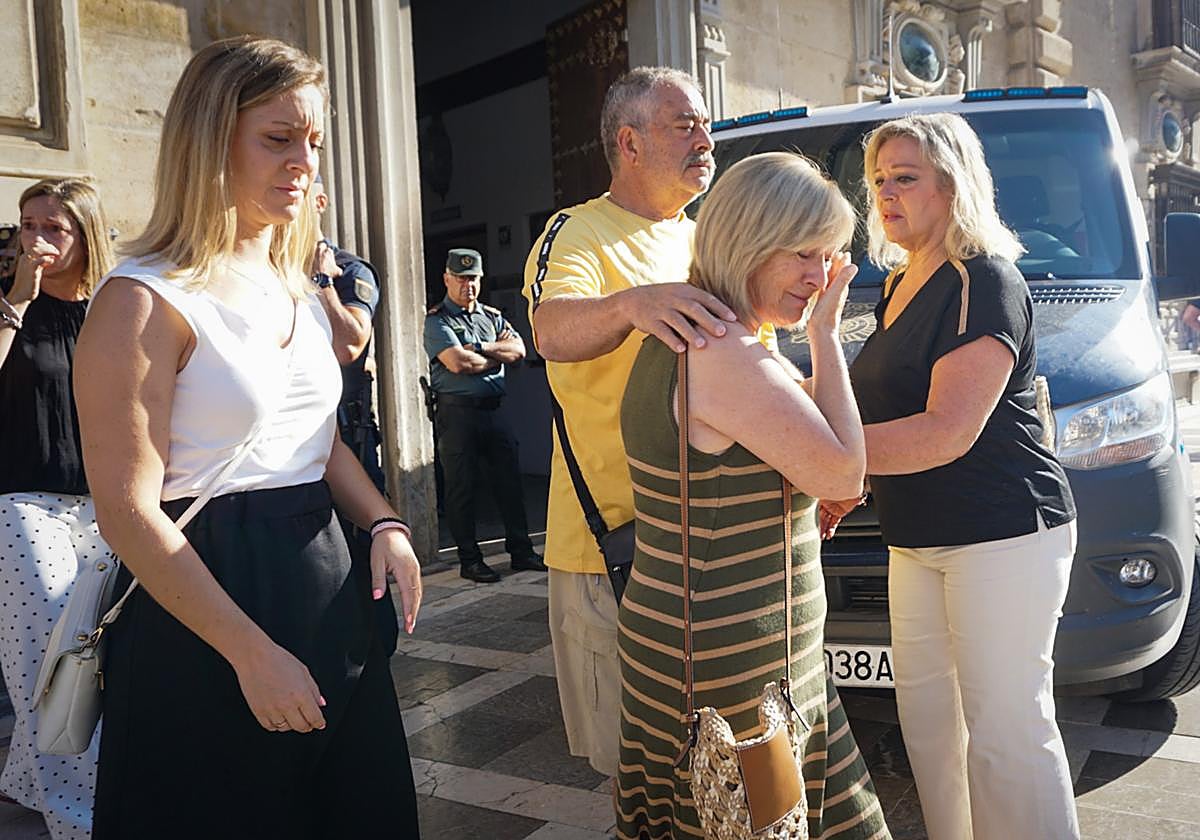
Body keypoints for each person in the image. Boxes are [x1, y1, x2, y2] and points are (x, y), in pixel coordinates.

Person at [72, 37, 422, 839]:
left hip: (328, 584)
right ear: (208, 138)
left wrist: (386, 521)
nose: (305, 161)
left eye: (314, 142)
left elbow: (313, 439)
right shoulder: (141, 298)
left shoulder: (295, 284)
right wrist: (248, 651)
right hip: (207, 601)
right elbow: (126, 510)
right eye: (279, 137)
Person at [615, 152, 889, 839]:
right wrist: (826, 335)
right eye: (802, 254)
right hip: (735, 678)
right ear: (747, 241)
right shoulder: (725, 352)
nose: (819, 277)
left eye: (828, 257)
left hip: (696, 651)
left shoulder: (685, 338)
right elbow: (843, 473)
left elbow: (797, 448)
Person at [831, 112, 1079, 840]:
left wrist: (825, 457)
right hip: (915, 540)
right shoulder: (898, 284)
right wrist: (849, 483)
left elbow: (944, 432)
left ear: (954, 185)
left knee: (1007, 733)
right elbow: (886, 421)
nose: (885, 194)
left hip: (1004, 533)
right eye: (877, 180)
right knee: (934, 734)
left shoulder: (984, 281)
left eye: (905, 178)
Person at [521, 66, 737, 777]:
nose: (706, 139)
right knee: (640, 775)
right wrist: (629, 305)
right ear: (630, 142)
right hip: (614, 550)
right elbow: (550, 330)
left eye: (706, 124)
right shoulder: (577, 232)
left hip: (710, 546)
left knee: (713, 769)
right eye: (685, 125)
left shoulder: (709, 241)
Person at [0, 177, 115, 840]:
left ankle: (23, 776)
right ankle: (77, 820)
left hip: (107, 504)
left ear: (85, 234)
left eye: (54, 227)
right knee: (45, 648)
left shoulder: (112, 307)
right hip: (22, 499)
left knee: (90, 654)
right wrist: (18, 298)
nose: (37, 239)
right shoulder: (11, 302)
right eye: (27, 224)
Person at [309, 175, 398, 651]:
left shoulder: (348, 271)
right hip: (296, 454)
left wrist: (322, 283)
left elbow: (349, 344)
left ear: (320, 201)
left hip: (349, 445)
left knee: (364, 569)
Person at [424, 248, 545, 582]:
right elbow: (457, 364)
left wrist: (477, 349)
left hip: (494, 409)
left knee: (509, 482)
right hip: (457, 414)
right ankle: (470, 559)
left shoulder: (491, 317)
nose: (468, 286)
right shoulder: (437, 320)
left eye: (473, 278)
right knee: (461, 488)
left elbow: (519, 351)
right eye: (461, 279)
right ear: (447, 279)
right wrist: (495, 355)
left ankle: (521, 551)